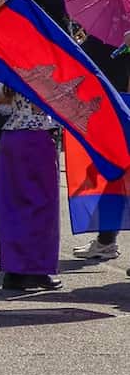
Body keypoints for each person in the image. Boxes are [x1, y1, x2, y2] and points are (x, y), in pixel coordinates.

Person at [0, 0, 73, 293]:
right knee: (42, 205)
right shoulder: (56, 51)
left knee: (13, 206)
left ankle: (13, 271)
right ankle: (39, 269)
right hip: (40, 135)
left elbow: (4, 97)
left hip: (12, 135)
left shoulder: (15, 48)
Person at [74, 29, 130, 262]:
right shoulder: (111, 34)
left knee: (114, 178)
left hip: (117, 109)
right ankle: (106, 240)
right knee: (114, 179)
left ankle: (106, 240)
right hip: (115, 107)